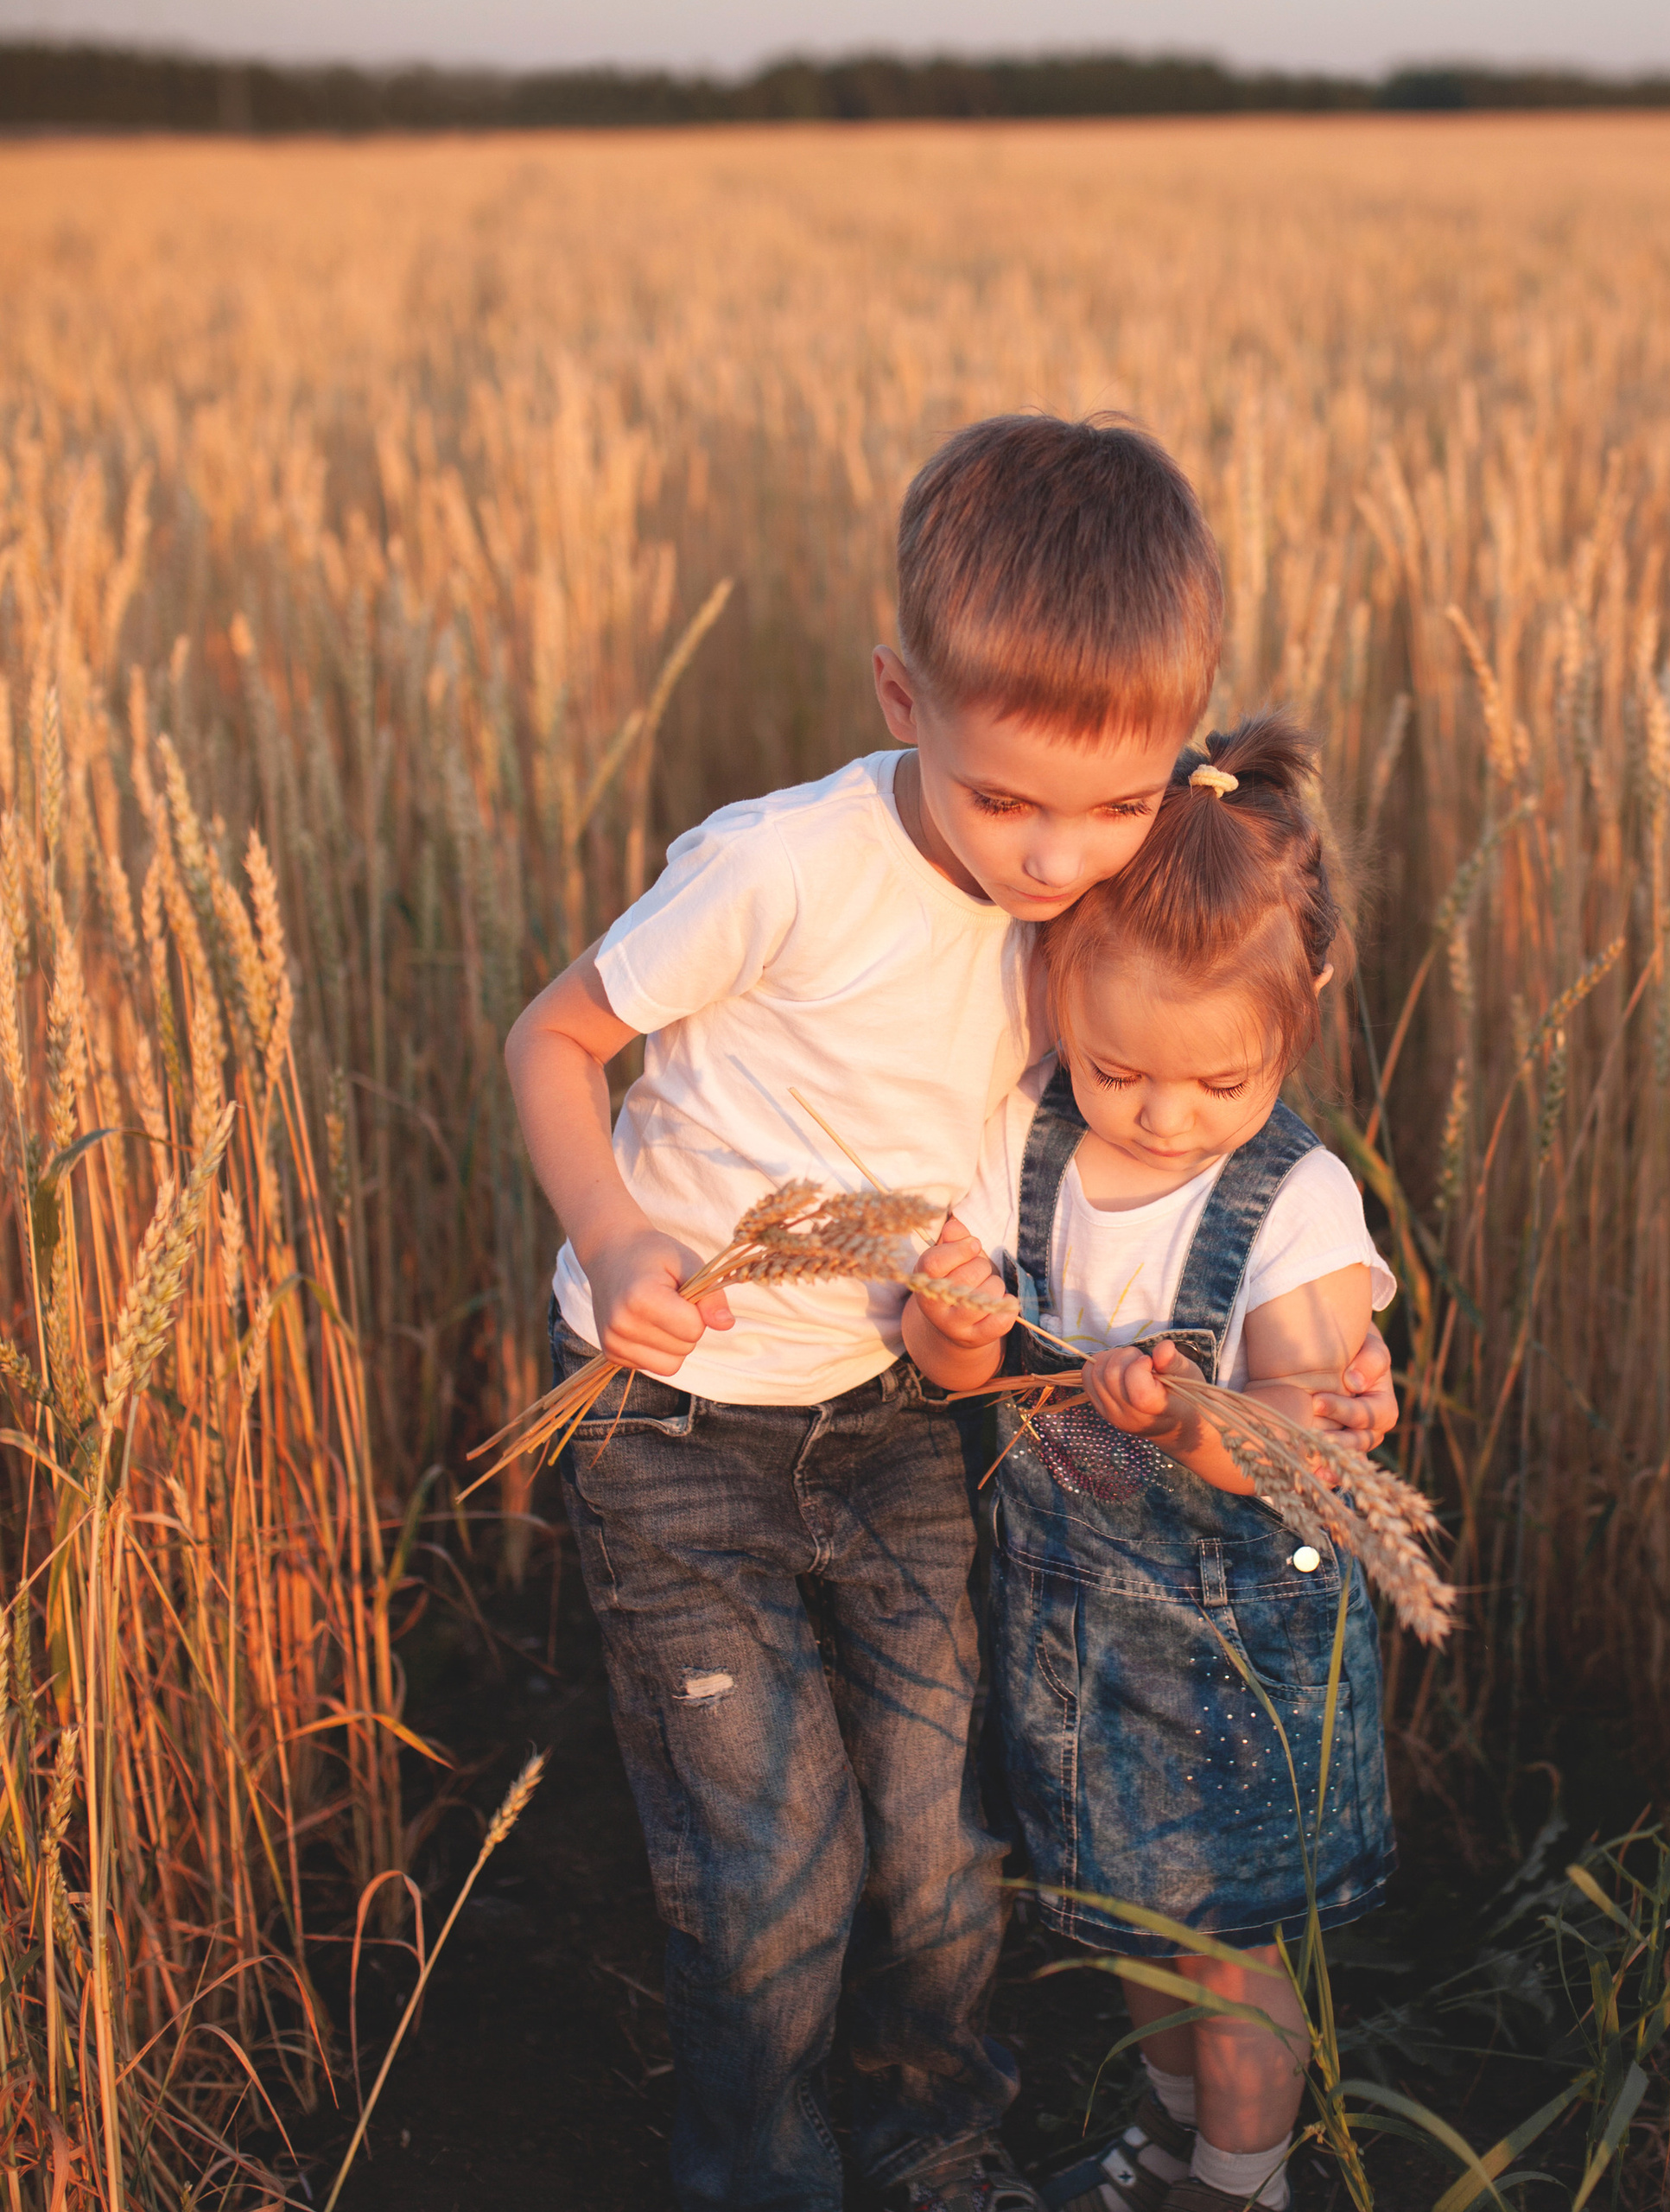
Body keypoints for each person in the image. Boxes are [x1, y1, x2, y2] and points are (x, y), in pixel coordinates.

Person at [503, 415, 1400, 2212]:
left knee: (935, 1847)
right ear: (901, 694)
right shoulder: (785, 868)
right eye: (1008, 800)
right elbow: (554, 1035)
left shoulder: (1091, 910)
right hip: (677, 1418)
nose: (1060, 856)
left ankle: (936, 2159)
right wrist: (607, 1234)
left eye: (1116, 801)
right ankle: (764, 2172)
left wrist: (1314, 1339)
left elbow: (1176, 1134)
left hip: (894, 1422)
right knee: (770, 1867)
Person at [902, 713, 1399, 2212]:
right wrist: (951, 1318)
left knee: (1227, 1940)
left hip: (1233, 1651)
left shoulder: (1296, 1202)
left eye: (1220, 1086)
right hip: (1070, 1629)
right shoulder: (1019, 1146)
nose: (1168, 1118)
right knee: (1128, 1920)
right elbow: (957, 1372)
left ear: (1295, 1021)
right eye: (1122, 1073)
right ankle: (1172, 2136)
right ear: (1057, 994)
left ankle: (1242, 2184)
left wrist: (1189, 1420)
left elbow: (1310, 1455)